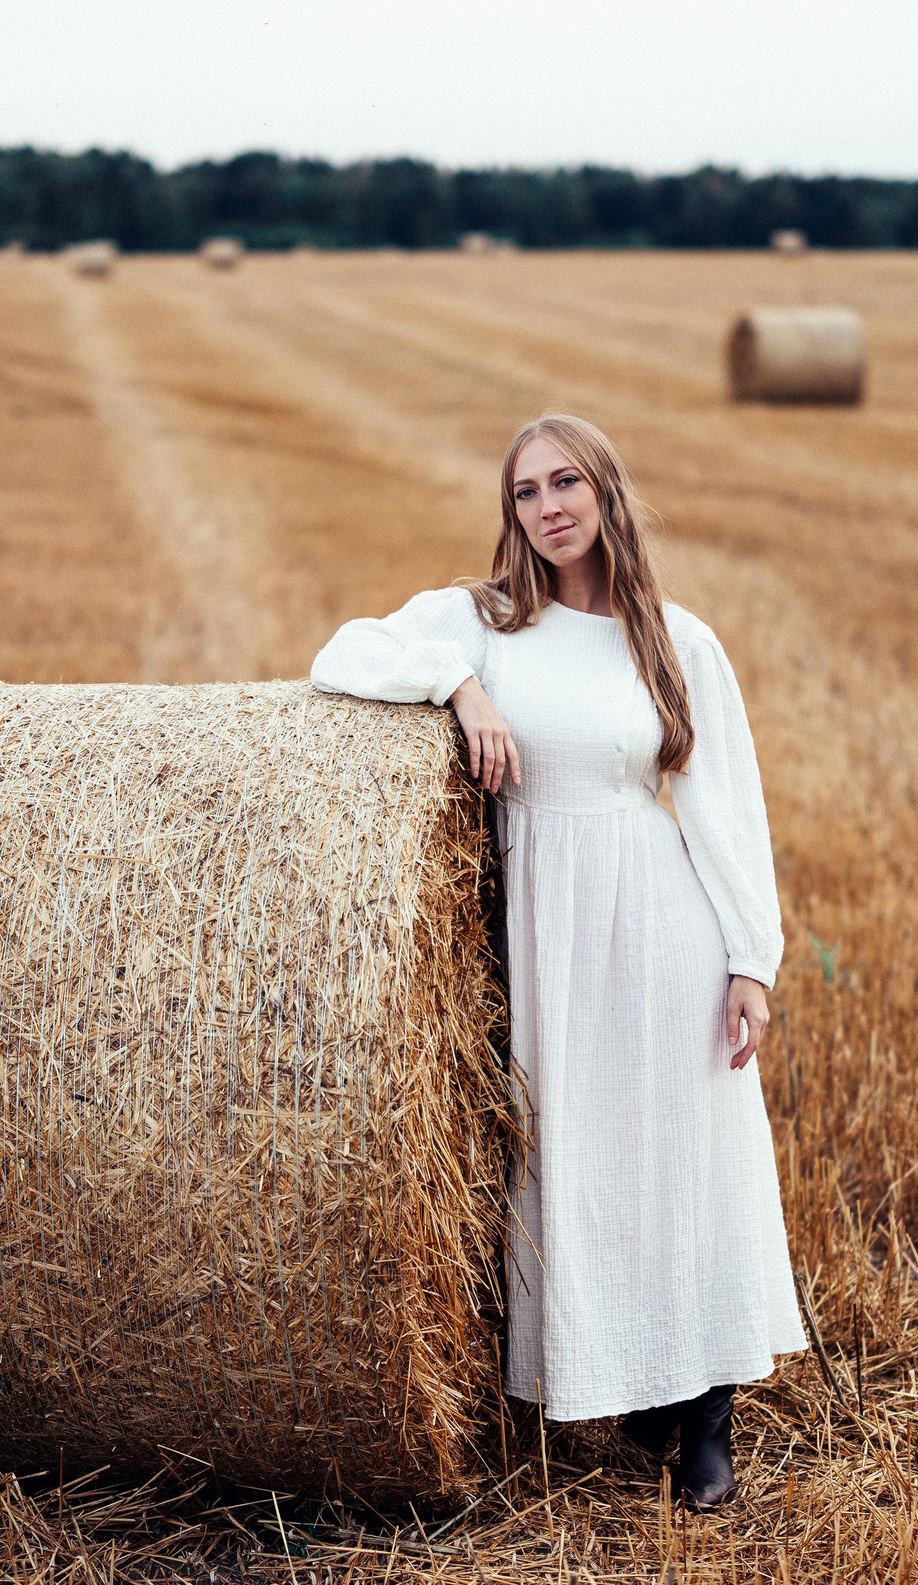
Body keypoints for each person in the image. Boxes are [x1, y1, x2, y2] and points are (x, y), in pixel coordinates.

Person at [310, 413, 803, 1509]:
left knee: (688, 1154)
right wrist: (459, 687)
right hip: (548, 926)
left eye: (565, 482)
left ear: (606, 492)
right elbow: (343, 652)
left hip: (660, 914)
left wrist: (748, 961)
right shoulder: (481, 623)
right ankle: (625, 1385)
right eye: (526, 492)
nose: (547, 507)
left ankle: (706, 1423)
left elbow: (726, 810)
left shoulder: (677, 639)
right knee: (578, 1158)